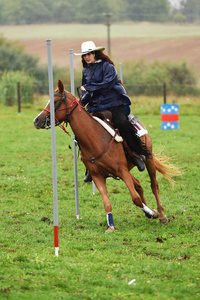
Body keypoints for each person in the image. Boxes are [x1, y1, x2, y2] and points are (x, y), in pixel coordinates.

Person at [75, 41, 150, 182]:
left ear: (95, 53)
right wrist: (80, 104)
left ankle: (137, 155)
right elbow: (88, 92)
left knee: (122, 123)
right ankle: (90, 168)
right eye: (84, 55)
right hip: (96, 106)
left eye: (89, 53)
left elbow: (107, 85)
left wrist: (90, 87)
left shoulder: (108, 67)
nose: (87, 57)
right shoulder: (85, 71)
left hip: (114, 103)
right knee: (82, 131)